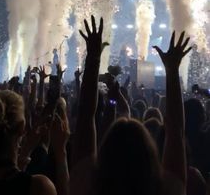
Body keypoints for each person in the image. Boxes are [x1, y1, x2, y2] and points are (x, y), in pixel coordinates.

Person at [71, 18, 192, 195]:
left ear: (106, 150)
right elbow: (176, 134)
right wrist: (173, 70)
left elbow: (85, 118)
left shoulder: (87, 185)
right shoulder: (166, 189)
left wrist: (94, 57)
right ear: (149, 154)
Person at [0, 90, 57, 195]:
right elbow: (12, 182)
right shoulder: (39, 187)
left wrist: (25, 153)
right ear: (22, 128)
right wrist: (61, 152)